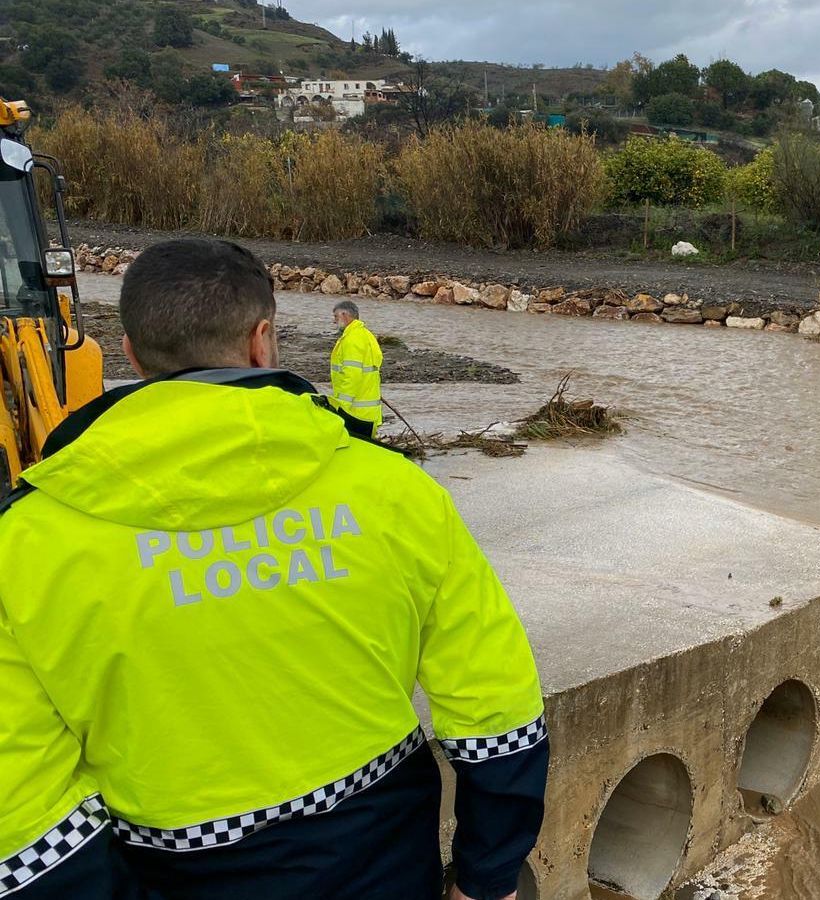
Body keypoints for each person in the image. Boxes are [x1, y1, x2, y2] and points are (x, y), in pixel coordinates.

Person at [0, 239, 547, 900]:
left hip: (174, 871)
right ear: (263, 340)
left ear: (132, 353)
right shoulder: (394, 493)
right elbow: (498, 705)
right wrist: (488, 875)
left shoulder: (25, 544)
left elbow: (23, 813)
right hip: (385, 860)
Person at [329, 300, 383, 438]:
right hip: (368, 414)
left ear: (345, 315)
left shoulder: (352, 339)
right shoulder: (365, 335)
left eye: (336, 317)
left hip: (356, 415)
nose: (334, 321)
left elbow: (352, 376)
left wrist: (340, 408)